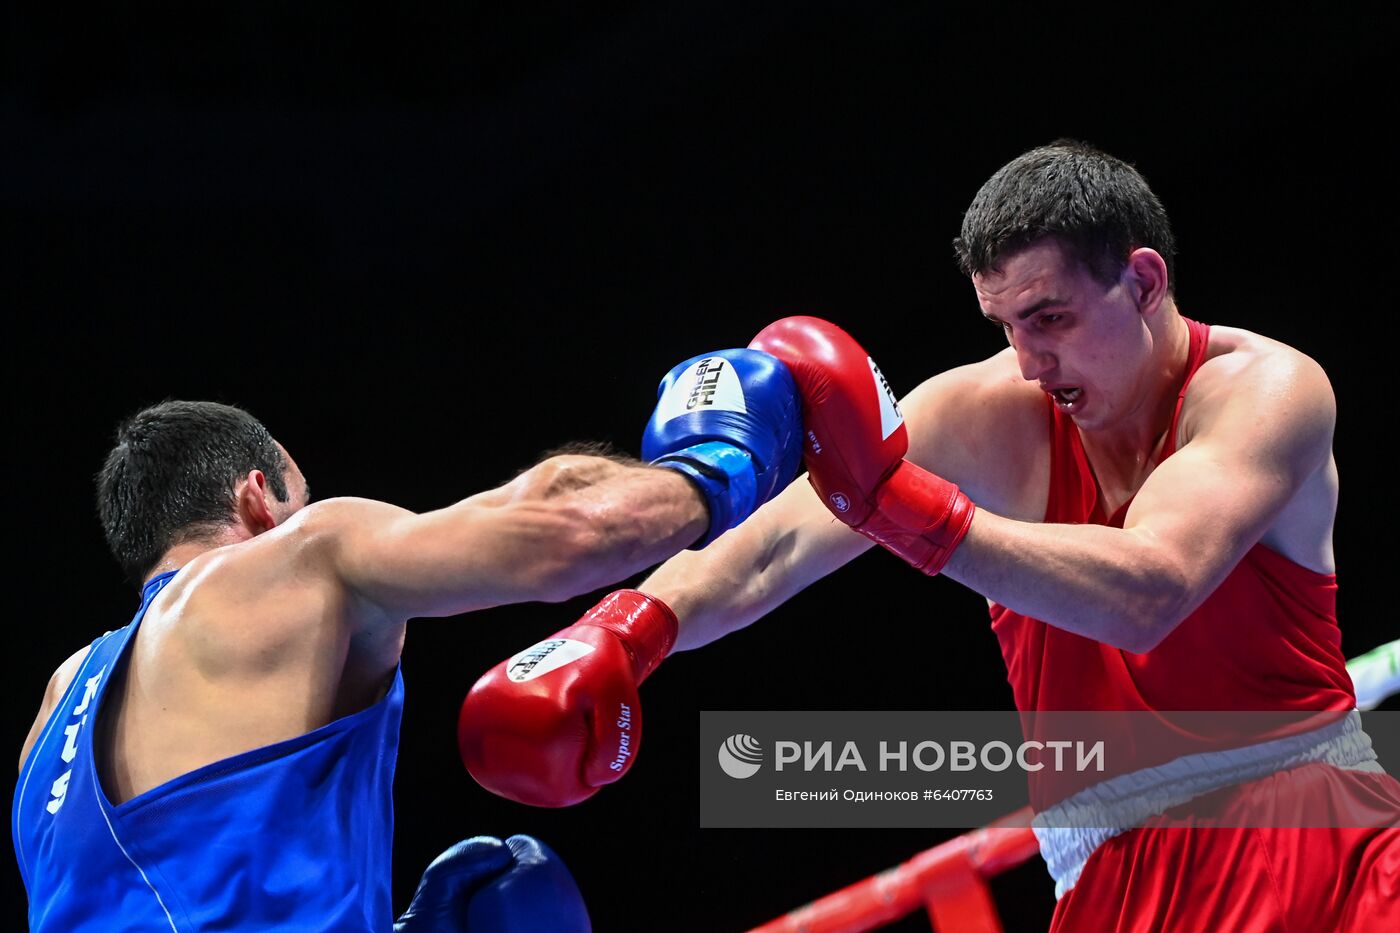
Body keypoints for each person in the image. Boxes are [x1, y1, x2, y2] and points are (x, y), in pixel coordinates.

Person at [463, 141, 1399, 930]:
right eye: (1004, 325)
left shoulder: (1266, 391)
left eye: (1050, 318)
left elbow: (1152, 586)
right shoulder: (983, 409)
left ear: (1143, 280)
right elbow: (777, 546)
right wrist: (627, 631)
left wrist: (899, 505)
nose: (1032, 360)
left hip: (1325, 831)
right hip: (1114, 876)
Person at [12, 345, 804, 931]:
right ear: (259, 496)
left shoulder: (57, 707)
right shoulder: (293, 555)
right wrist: (717, 460)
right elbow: (563, 531)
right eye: (299, 494)